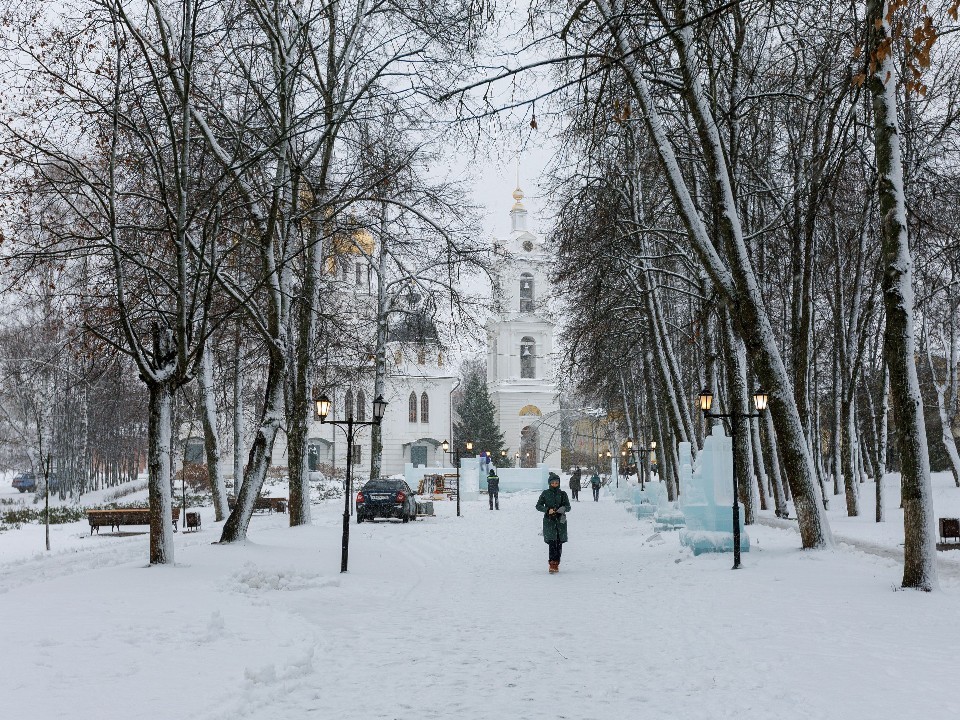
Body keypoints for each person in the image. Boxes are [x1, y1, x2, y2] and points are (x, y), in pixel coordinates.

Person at [536, 472, 571, 573]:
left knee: (559, 543)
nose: (554, 485)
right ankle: (552, 563)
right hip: (549, 521)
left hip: (560, 522)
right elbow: (538, 506)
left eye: (556, 483)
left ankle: (557, 562)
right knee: (552, 543)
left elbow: (568, 507)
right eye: (553, 483)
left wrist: (563, 508)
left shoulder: (563, 494)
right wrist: (547, 510)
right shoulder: (545, 493)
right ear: (549, 483)